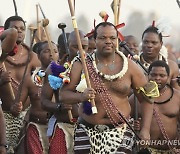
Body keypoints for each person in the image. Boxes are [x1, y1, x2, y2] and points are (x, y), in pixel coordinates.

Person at [60, 22, 157, 153]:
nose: (108, 41)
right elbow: (63, 95)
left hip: (121, 133)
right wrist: (81, 96)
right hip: (87, 132)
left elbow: (147, 99)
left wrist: (145, 129)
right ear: (94, 40)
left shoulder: (130, 66)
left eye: (112, 38)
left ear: (117, 40)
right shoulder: (81, 64)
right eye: (102, 38)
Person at [41, 30, 88, 153]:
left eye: (84, 47)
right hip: (63, 127)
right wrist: (59, 107)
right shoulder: (54, 70)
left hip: (88, 129)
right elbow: (44, 102)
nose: (80, 51)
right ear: (65, 48)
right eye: (75, 47)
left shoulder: (93, 67)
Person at [0, 15, 40, 153]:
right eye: (15, 29)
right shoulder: (1, 56)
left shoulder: (33, 57)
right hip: (2, 117)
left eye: (22, 29)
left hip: (25, 117)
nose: (19, 32)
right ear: (5, 31)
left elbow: (39, 87)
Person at [15, 41, 59, 154]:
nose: (51, 54)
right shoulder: (29, 79)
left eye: (55, 51)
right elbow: (16, 107)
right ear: (38, 56)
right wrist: (16, 107)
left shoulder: (65, 76)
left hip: (57, 129)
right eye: (46, 51)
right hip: (36, 128)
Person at [129, 60, 180, 153]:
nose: (157, 78)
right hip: (146, 150)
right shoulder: (137, 97)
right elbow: (124, 123)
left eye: (162, 75)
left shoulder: (177, 97)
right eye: (153, 75)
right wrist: (134, 125)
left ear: (168, 77)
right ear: (147, 76)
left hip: (172, 149)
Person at [140, 25, 180, 90]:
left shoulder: (172, 66)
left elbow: (177, 94)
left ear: (161, 44)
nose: (149, 45)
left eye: (154, 43)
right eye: (146, 42)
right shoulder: (133, 65)